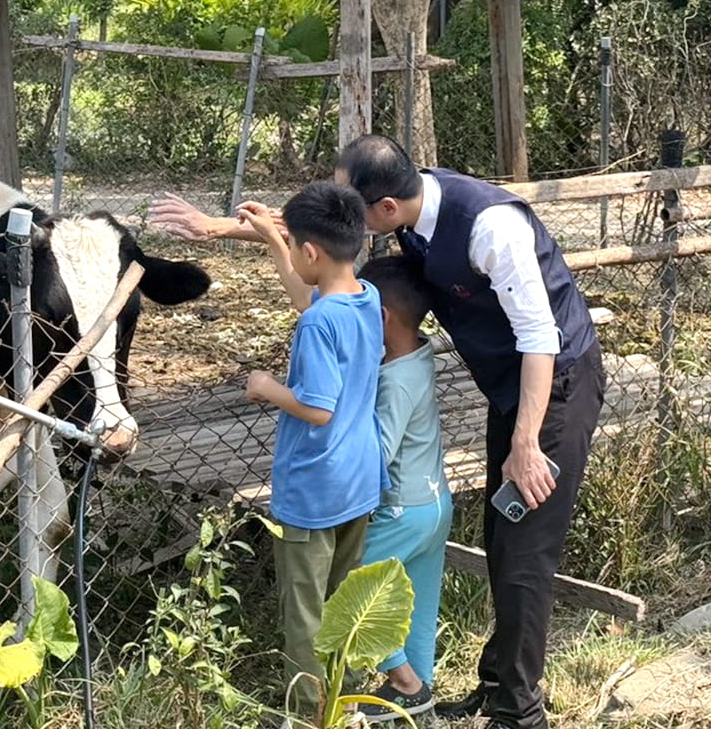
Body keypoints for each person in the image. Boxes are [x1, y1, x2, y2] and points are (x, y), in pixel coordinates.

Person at [336, 135, 606, 729]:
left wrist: (527, 443)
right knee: (501, 538)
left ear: (386, 207)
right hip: (513, 387)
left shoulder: (490, 227)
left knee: (524, 552)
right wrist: (235, 230)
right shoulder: (415, 212)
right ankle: (499, 684)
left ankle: (520, 714)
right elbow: (321, 232)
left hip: (555, 385)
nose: (350, 222)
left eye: (354, 210)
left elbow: (540, 337)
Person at [236, 182, 385, 727]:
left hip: (313, 488)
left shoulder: (319, 323)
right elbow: (308, 295)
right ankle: (347, 703)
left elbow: (317, 408)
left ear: (313, 252)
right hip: (358, 480)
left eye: (296, 246)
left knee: (305, 614)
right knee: (345, 602)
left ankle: (307, 716)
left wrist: (266, 387)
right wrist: (275, 239)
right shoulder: (365, 297)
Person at [352, 254, 452, 723]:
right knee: (419, 605)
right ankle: (418, 695)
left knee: (352, 587)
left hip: (401, 509)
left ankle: (403, 680)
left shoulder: (393, 381)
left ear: (381, 316)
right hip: (435, 503)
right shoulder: (418, 356)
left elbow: (380, 452)